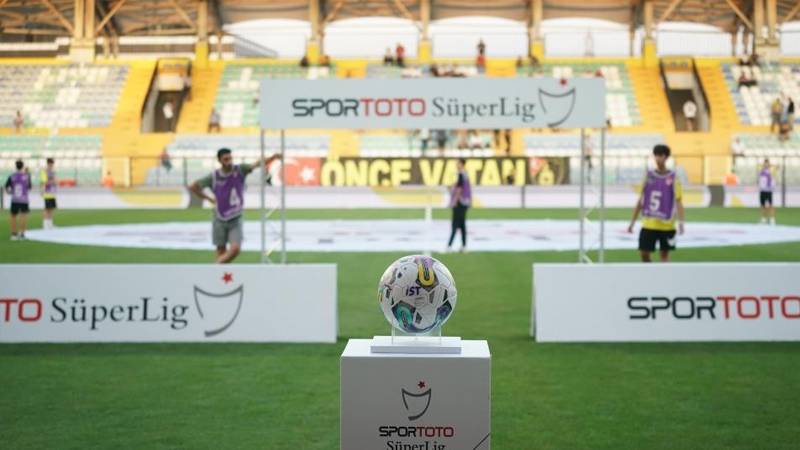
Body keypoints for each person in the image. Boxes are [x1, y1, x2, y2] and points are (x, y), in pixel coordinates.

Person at [189, 148, 280, 264]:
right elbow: (194, 186)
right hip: (219, 216)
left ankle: (214, 267)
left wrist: (273, 157)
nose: (229, 161)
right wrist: (209, 199)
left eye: (230, 158)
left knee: (235, 248)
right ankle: (221, 273)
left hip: (235, 217)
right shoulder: (214, 176)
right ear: (219, 160)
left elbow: (256, 164)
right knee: (221, 250)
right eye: (225, 159)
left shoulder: (240, 170)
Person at [627, 145, 685, 263]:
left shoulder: (673, 178)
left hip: (667, 225)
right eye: (656, 155)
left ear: (666, 157)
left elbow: (678, 201)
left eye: (661, 155)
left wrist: (681, 223)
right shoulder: (649, 176)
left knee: (664, 256)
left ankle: (663, 275)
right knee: (644, 254)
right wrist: (632, 222)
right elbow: (641, 200)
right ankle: (650, 272)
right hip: (649, 224)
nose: (658, 158)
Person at [447, 159, 471, 253]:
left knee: (455, 224)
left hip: (460, 203)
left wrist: (454, 201)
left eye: (458, 163)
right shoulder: (465, 174)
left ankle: (449, 246)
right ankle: (463, 246)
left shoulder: (461, 174)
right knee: (462, 225)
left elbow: (459, 189)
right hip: (464, 202)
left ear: (462, 164)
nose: (456, 165)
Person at [5, 160, 31, 240]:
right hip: (24, 199)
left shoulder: (12, 176)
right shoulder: (26, 176)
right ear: (22, 166)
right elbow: (29, 187)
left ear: (16, 166)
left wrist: (10, 192)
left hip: (15, 199)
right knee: (23, 216)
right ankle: (22, 234)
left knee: (13, 216)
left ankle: (14, 234)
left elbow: (7, 187)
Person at [40, 158, 57, 230]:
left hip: (52, 192)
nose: (52, 165)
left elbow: (55, 181)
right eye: (51, 164)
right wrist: (52, 181)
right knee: (46, 209)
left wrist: (54, 181)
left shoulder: (52, 171)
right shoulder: (44, 171)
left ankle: (50, 224)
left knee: (51, 209)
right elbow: (43, 182)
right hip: (47, 193)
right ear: (48, 163)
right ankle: (45, 224)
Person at [758, 159, 776, 225]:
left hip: (768, 190)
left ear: (769, 164)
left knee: (770, 205)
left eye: (767, 163)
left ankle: (772, 219)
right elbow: (760, 175)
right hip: (762, 190)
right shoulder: (761, 171)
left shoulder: (771, 171)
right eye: (765, 163)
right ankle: (763, 219)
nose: (766, 165)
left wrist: (771, 167)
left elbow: (776, 169)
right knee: (762, 205)